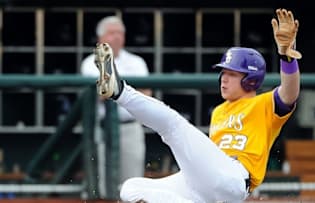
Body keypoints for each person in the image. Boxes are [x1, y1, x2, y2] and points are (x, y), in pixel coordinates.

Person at [93, 8, 301, 203]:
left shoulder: (263, 104)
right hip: (205, 179)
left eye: (232, 74)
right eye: (223, 72)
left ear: (251, 80)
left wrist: (286, 57)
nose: (224, 78)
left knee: (174, 124)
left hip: (234, 177)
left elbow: (289, 93)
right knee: (130, 189)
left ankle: (119, 90)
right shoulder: (219, 111)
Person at [80, 15, 152, 197]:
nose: (117, 37)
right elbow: (101, 94)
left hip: (130, 127)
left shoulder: (136, 62)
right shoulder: (90, 62)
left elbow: (147, 94)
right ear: (100, 37)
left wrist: (115, 92)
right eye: (112, 33)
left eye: (120, 33)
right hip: (103, 129)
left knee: (133, 185)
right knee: (104, 188)